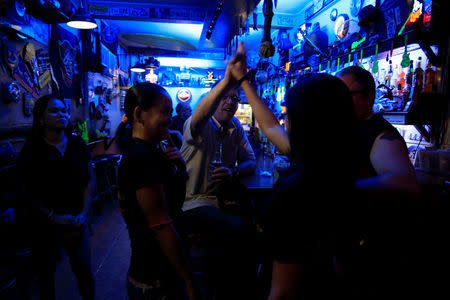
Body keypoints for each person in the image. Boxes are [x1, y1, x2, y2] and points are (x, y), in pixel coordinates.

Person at [226, 42, 359, 299]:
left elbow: (283, 292)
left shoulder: (297, 197)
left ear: (302, 120)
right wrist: (243, 81)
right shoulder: (336, 164)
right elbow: (271, 127)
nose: (284, 120)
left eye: (289, 114)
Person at [336, 66, 420, 297]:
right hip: (349, 243)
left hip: (371, 250)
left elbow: (406, 182)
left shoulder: (381, 135)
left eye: (344, 95)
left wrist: (344, 188)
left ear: (368, 96)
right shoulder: (348, 128)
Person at [117, 82, 199, 300]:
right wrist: (189, 280)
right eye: (164, 112)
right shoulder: (141, 157)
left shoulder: (150, 152)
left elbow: (174, 203)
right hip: (156, 280)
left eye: (171, 112)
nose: (170, 118)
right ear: (139, 114)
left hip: (155, 272)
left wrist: (179, 166)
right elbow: (160, 225)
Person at [180, 72, 257, 299]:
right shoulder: (198, 125)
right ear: (213, 99)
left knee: (257, 220)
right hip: (193, 203)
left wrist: (234, 171)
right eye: (224, 96)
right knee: (239, 229)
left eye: (235, 98)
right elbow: (198, 117)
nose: (230, 102)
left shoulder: (235, 126)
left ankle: (228, 285)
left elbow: (250, 161)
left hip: (220, 201)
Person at [16, 95, 95, 300]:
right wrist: (52, 216)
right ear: (41, 119)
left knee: (84, 272)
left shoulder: (77, 144)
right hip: (45, 224)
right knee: (46, 276)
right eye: (54, 111)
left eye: (63, 110)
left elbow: (89, 180)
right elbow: (26, 191)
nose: (61, 114)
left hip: (77, 219)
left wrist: (85, 213)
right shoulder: (32, 149)